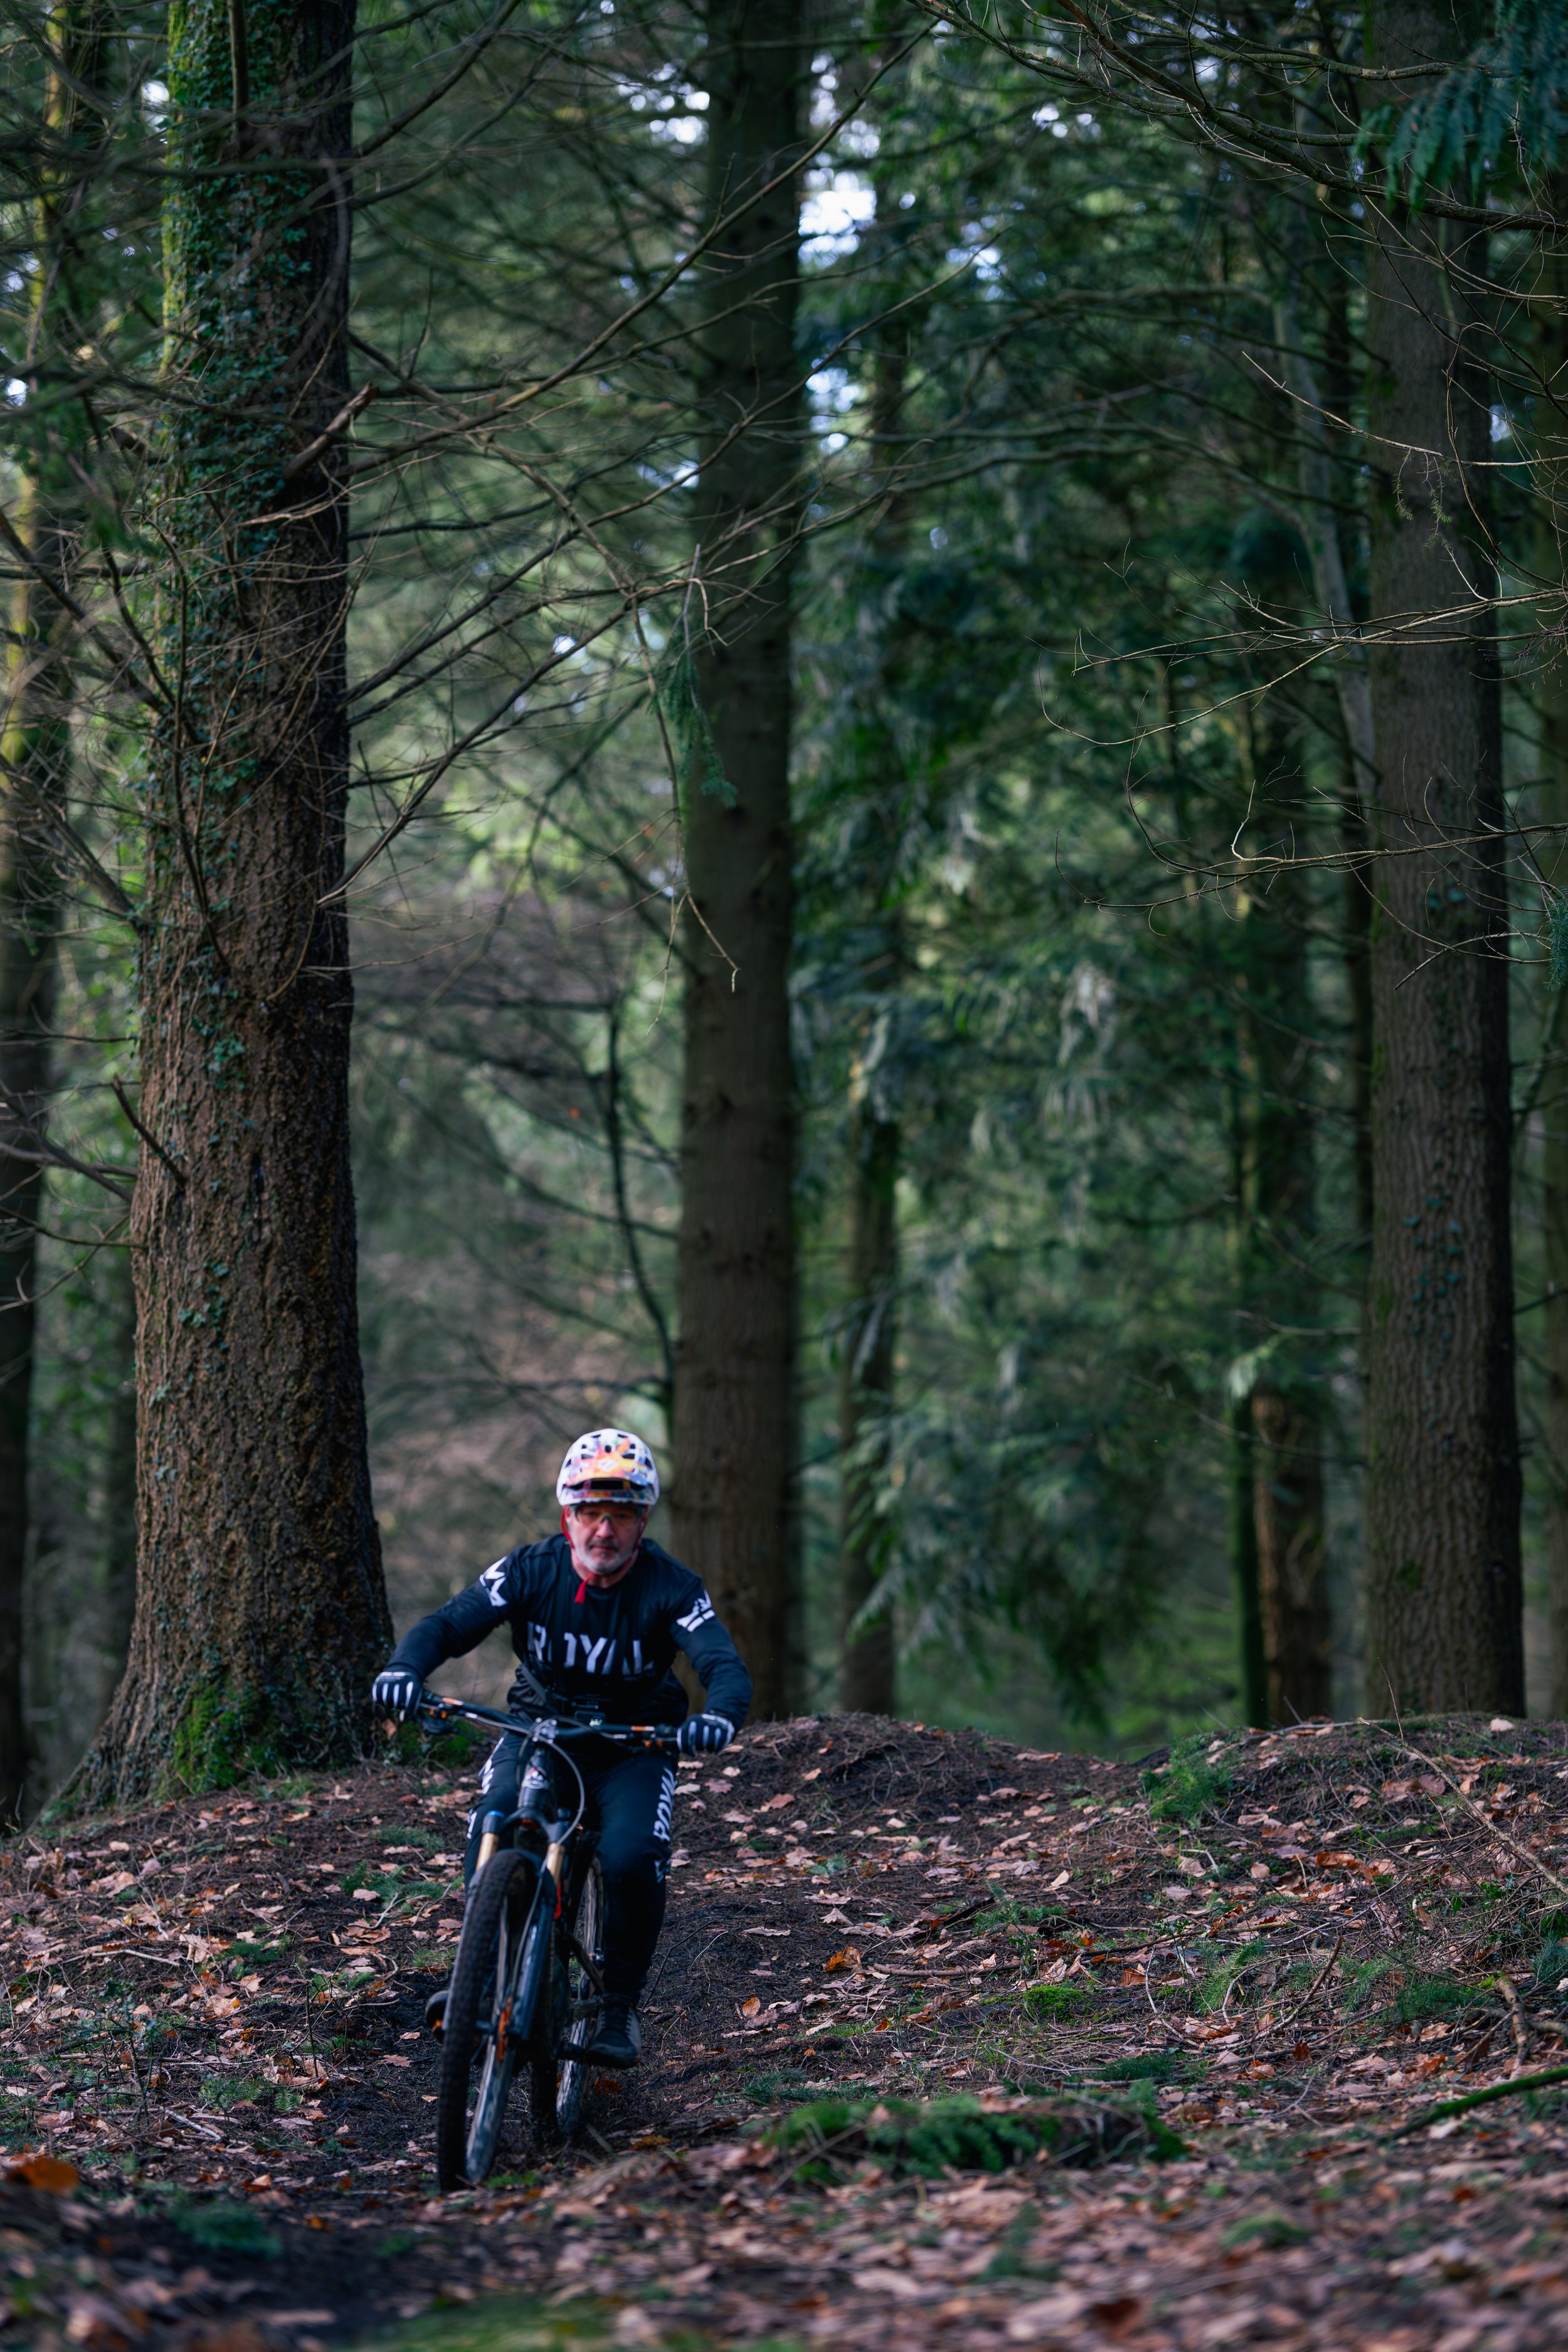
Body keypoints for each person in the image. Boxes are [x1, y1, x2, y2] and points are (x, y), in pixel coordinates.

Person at [371, 1429, 751, 2070]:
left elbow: (722, 1663)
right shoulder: (528, 1570)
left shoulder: (672, 1587)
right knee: (495, 1818)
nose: (604, 1530)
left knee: (630, 1858)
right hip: (538, 1731)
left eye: (622, 1515)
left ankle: (617, 2007)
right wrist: (405, 1670)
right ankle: (482, 1976)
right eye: (590, 1513)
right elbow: (447, 1624)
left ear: (643, 1521)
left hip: (634, 1745)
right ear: (566, 1517)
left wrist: (718, 1717)